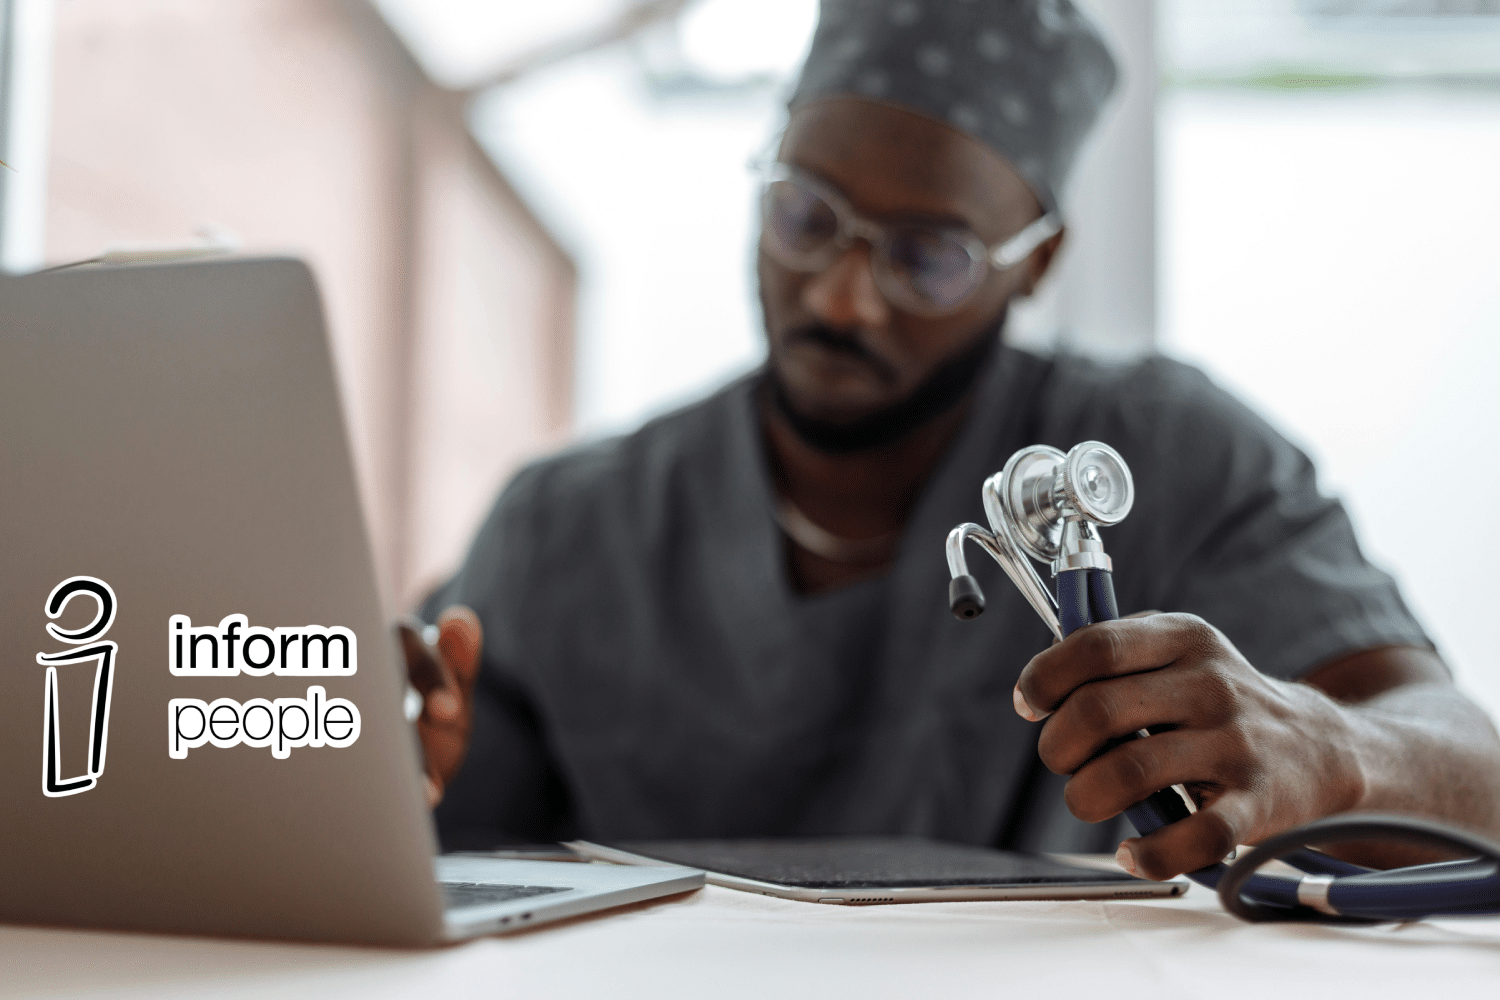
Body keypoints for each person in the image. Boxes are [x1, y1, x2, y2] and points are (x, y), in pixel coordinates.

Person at [404, 0, 1500, 881]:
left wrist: (1334, 752)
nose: (842, 297)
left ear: (1037, 262)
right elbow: (438, 854)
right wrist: (362, 754)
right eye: (806, 216)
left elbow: (1476, 773)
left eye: (927, 257)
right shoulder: (564, 531)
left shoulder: (1171, 461)